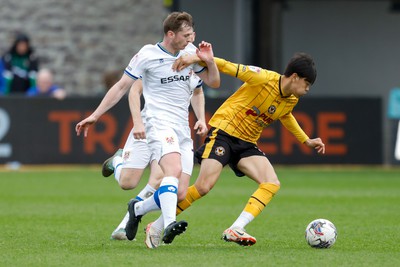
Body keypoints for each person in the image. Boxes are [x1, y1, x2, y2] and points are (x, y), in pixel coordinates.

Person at [152, 51, 324, 247]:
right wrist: (194, 58)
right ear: (295, 77)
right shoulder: (262, 78)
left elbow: (286, 115)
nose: (308, 89)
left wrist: (306, 140)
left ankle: (236, 228)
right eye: (307, 83)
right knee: (203, 187)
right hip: (224, 132)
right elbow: (226, 65)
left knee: (271, 182)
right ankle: (157, 226)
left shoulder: (291, 99)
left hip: (247, 143)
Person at [123, 11, 220, 246]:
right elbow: (127, 88)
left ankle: (138, 208)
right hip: (158, 122)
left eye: (192, 33)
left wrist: (209, 60)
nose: (191, 37)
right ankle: (168, 224)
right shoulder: (148, 55)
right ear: (170, 34)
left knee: (180, 193)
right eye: (186, 34)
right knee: (170, 171)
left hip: (182, 128)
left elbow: (212, 83)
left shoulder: (190, 53)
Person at [105, 73, 207, 241]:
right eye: (185, 43)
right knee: (127, 182)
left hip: (173, 130)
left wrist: (201, 118)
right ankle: (117, 162)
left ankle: (128, 221)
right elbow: (133, 90)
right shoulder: (155, 59)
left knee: (168, 182)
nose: (188, 44)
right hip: (150, 124)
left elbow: (203, 88)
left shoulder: (193, 62)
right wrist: (137, 122)